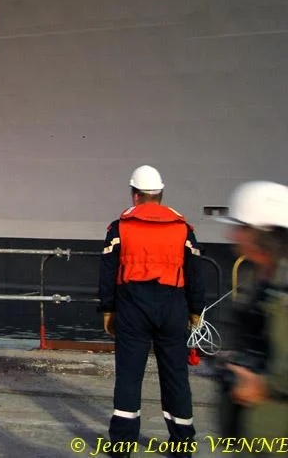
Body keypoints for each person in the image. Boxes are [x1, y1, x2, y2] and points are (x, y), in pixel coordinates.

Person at [98, 165, 203, 457]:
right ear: (160, 194)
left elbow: (108, 271)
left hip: (133, 307)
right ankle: (182, 444)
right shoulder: (183, 228)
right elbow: (194, 273)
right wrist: (195, 309)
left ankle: (122, 445)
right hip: (173, 307)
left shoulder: (119, 227)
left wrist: (108, 309)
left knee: (129, 377)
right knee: (176, 377)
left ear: (135, 195)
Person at [214, 181, 288, 444]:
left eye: (242, 227)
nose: (232, 235)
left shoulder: (282, 287)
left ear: (265, 233)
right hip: (251, 433)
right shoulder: (255, 278)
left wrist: (264, 386)